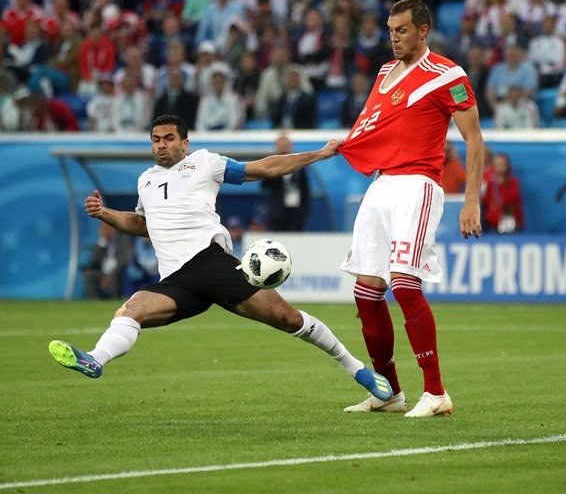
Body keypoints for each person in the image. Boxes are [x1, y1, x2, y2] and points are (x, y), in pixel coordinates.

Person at [48, 115, 393, 409]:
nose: (162, 145)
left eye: (169, 138)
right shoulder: (146, 181)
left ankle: (358, 371)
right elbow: (143, 225)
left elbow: (265, 168)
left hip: (211, 265)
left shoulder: (204, 162)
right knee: (129, 312)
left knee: (288, 319)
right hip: (176, 281)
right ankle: (94, 359)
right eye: (156, 140)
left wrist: (318, 154)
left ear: (185, 143)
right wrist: (106, 213)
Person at [338, 0, 485, 417]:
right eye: (390, 31)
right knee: (367, 293)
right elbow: (373, 127)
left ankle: (436, 392)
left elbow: (474, 139)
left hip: (418, 184)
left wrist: (470, 199)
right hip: (381, 185)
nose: (394, 38)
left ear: (423, 31)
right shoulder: (385, 73)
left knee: (404, 283)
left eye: (401, 30)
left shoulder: (448, 74)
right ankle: (390, 392)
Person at [262, 135, 311, 232]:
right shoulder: (270, 165)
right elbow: (264, 186)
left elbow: (305, 189)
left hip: (296, 212)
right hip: (277, 212)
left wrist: (304, 210)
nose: (283, 147)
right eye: (281, 145)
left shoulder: (299, 166)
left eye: (285, 145)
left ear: (291, 146)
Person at [481, 152, 524, 233]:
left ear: (507, 165)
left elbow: (510, 199)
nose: (498, 167)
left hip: (511, 225)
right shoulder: (490, 183)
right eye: (496, 164)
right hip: (492, 225)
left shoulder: (513, 183)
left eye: (501, 164)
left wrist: (499, 185)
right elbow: (485, 200)